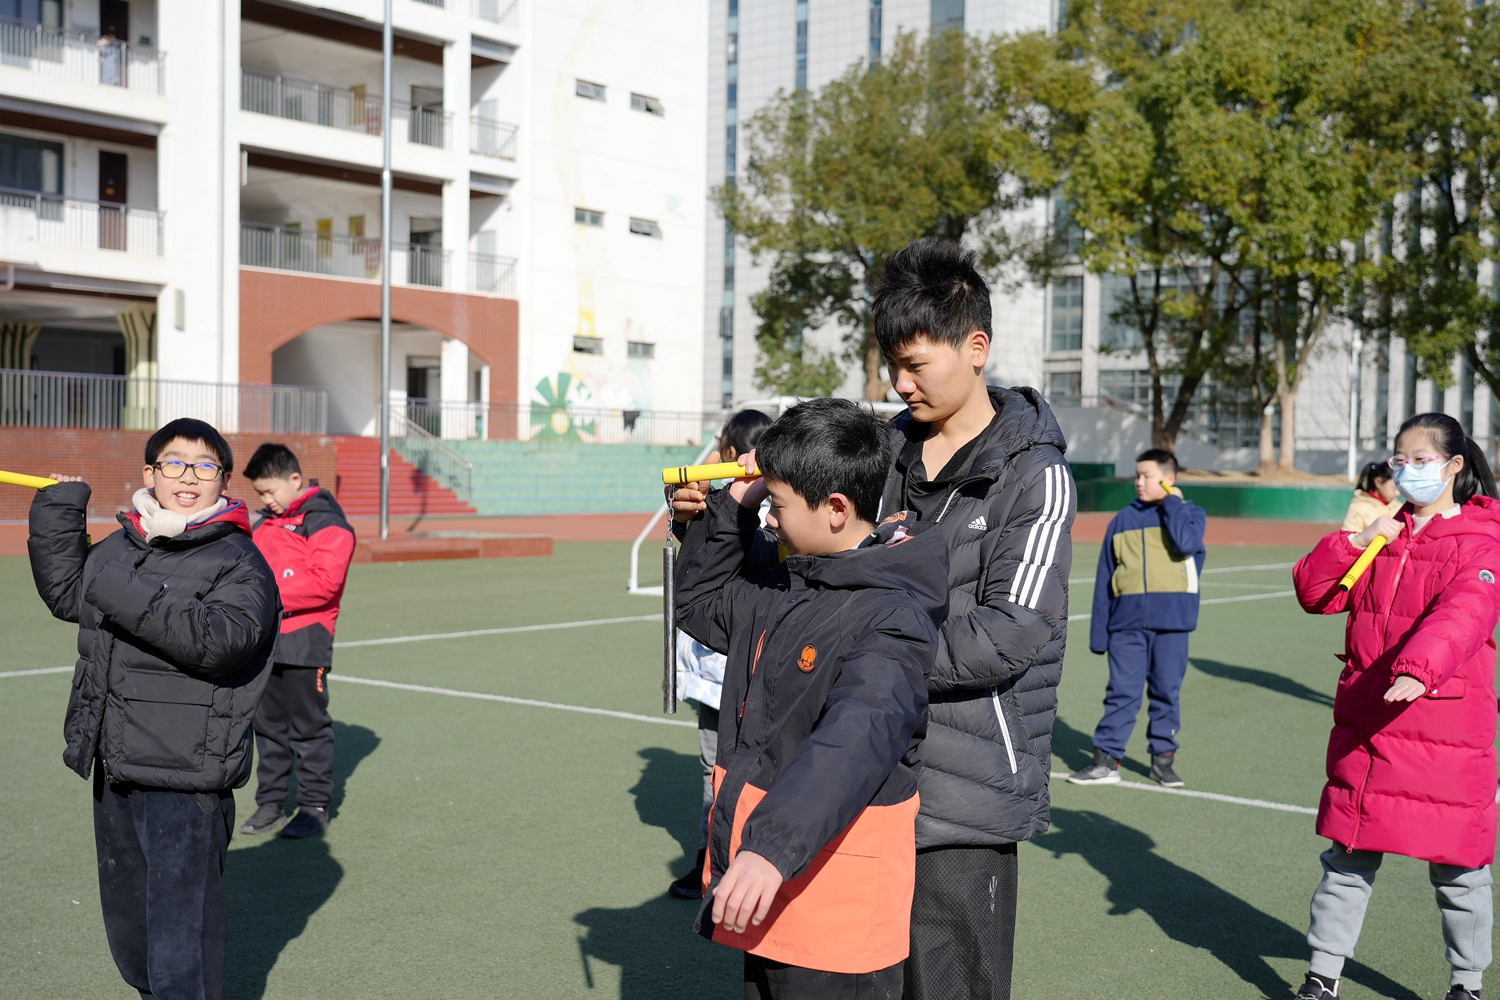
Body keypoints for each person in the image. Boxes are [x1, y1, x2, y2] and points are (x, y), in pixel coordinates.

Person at [674, 397, 947, 1000]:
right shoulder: (785, 582)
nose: (769, 516)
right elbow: (696, 603)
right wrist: (737, 506)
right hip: (767, 883)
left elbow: (857, 738)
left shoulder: (891, 611)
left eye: (778, 503)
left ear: (836, 509)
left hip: (833, 903)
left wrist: (770, 848)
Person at [875, 237, 1075, 1000]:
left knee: (952, 987)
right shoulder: (882, 455)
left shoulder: (1036, 475)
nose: (899, 384)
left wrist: (873, 656)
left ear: (976, 347)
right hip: (858, 771)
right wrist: (721, 524)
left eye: (915, 364)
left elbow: (1009, 633)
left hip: (964, 798)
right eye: (890, 364)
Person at [28, 418, 280, 1000]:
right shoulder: (126, 543)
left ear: (223, 479)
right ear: (150, 473)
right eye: (173, 463)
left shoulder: (240, 558)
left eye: (204, 466)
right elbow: (71, 595)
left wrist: (120, 585)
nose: (187, 477)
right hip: (115, 760)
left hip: (185, 775)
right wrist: (60, 512)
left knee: (181, 941)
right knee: (132, 928)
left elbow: (220, 641)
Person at [1290, 412, 1499, 1000]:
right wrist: (1358, 540)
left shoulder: (1483, 538)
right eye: (1399, 461)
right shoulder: (1384, 533)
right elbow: (1315, 592)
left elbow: (1465, 611)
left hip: (1444, 726)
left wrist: (1419, 669)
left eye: (1421, 460)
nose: (1406, 471)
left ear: (1455, 466)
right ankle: (1321, 975)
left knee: (1459, 868)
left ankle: (1467, 982)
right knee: (1347, 857)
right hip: (1368, 723)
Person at [669, 407, 773, 900]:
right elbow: (695, 570)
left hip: (742, 670)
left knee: (730, 771)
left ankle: (726, 858)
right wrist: (687, 519)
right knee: (720, 769)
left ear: (733, 454)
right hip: (720, 674)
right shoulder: (718, 504)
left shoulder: (765, 505)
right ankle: (714, 857)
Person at [1069, 447, 1206, 788]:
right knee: (1122, 692)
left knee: (1166, 692)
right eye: (1137, 475)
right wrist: (1099, 633)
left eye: (1147, 476)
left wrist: (1173, 502)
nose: (1139, 482)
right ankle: (1105, 762)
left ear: (1169, 479)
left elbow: (1186, 544)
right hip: (1126, 624)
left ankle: (1163, 761)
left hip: (1172, 623)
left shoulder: (1189, 514)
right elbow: (1105, 578)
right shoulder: (1121, 520)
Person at [240, 443, 357, 840]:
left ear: (295, 480)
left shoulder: (327, 521)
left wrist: (263, 594)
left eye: (271, 491)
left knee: (309, 728)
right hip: (265, 640)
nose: (267, 501)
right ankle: (270, 803)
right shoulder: (265, 524)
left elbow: (324, 584)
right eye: (260, 494)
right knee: (268, 727)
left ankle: (314, 806)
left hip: (308, 641)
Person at [1341, 459, 1403, 532]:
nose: (1397, 493)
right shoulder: (1358, 508)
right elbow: (1349, 539)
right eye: (1394, 488)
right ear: (1378, 482)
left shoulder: (1399, 507)